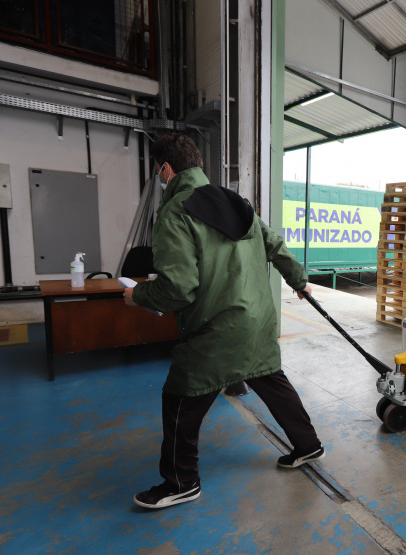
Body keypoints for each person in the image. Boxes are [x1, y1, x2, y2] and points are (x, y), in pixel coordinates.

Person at [124, 133, 324, 510]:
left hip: (217, 329)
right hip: (259, 320)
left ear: (165, 169)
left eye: (158, 171)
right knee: (271, 380)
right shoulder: (236, 202)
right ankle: (308, 445)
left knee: (180, 397)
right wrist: (298, 280)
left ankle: (181, 481)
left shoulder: (175, 212)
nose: (159, 177)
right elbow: (275, 245)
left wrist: (137, 295)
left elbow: (178, 290)